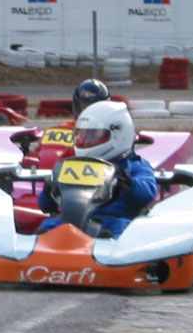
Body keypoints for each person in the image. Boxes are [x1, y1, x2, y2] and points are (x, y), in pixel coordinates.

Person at [36, 100, 156, 239]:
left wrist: (126, 182)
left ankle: (106, 245)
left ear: (118, 134)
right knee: (49, 224)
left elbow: (147, 194)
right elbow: (45, 206)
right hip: (72, 222)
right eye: (83, 135)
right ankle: (43, 247)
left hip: (114, 220)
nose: (86, 140)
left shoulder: (134, 165)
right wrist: (49, 189)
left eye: (93, 135)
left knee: (123, 228)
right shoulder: (74, 166)